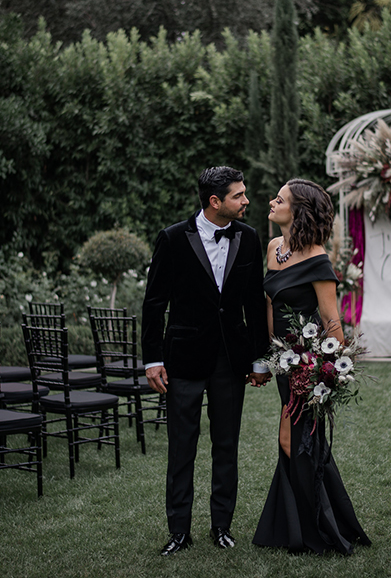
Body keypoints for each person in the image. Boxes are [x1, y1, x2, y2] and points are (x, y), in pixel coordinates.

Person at [142, 166, 271, 556]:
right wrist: (152, 360)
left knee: (226, 445)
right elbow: (154, 304)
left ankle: (221, 527)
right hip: (182, 358)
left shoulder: (248, 238)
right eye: (239, 195)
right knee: (182, 447)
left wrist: (259, 359)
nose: (246, 201)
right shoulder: (172, 238)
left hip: (231, 360)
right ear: (215, 201)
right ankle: (179, 532)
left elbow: (253, 302)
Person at [252, 178, 371, 555]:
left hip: (306, 365)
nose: (272, 202)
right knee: (304, 442)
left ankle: (315, 529)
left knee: (294, 440)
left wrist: (328, 370)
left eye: (280, 199)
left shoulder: (318, 258)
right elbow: (269, 305)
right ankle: (306, 523)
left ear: (298, 210)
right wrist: (266, 359)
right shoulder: (273, 248)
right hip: (281, 363)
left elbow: (331, 321)